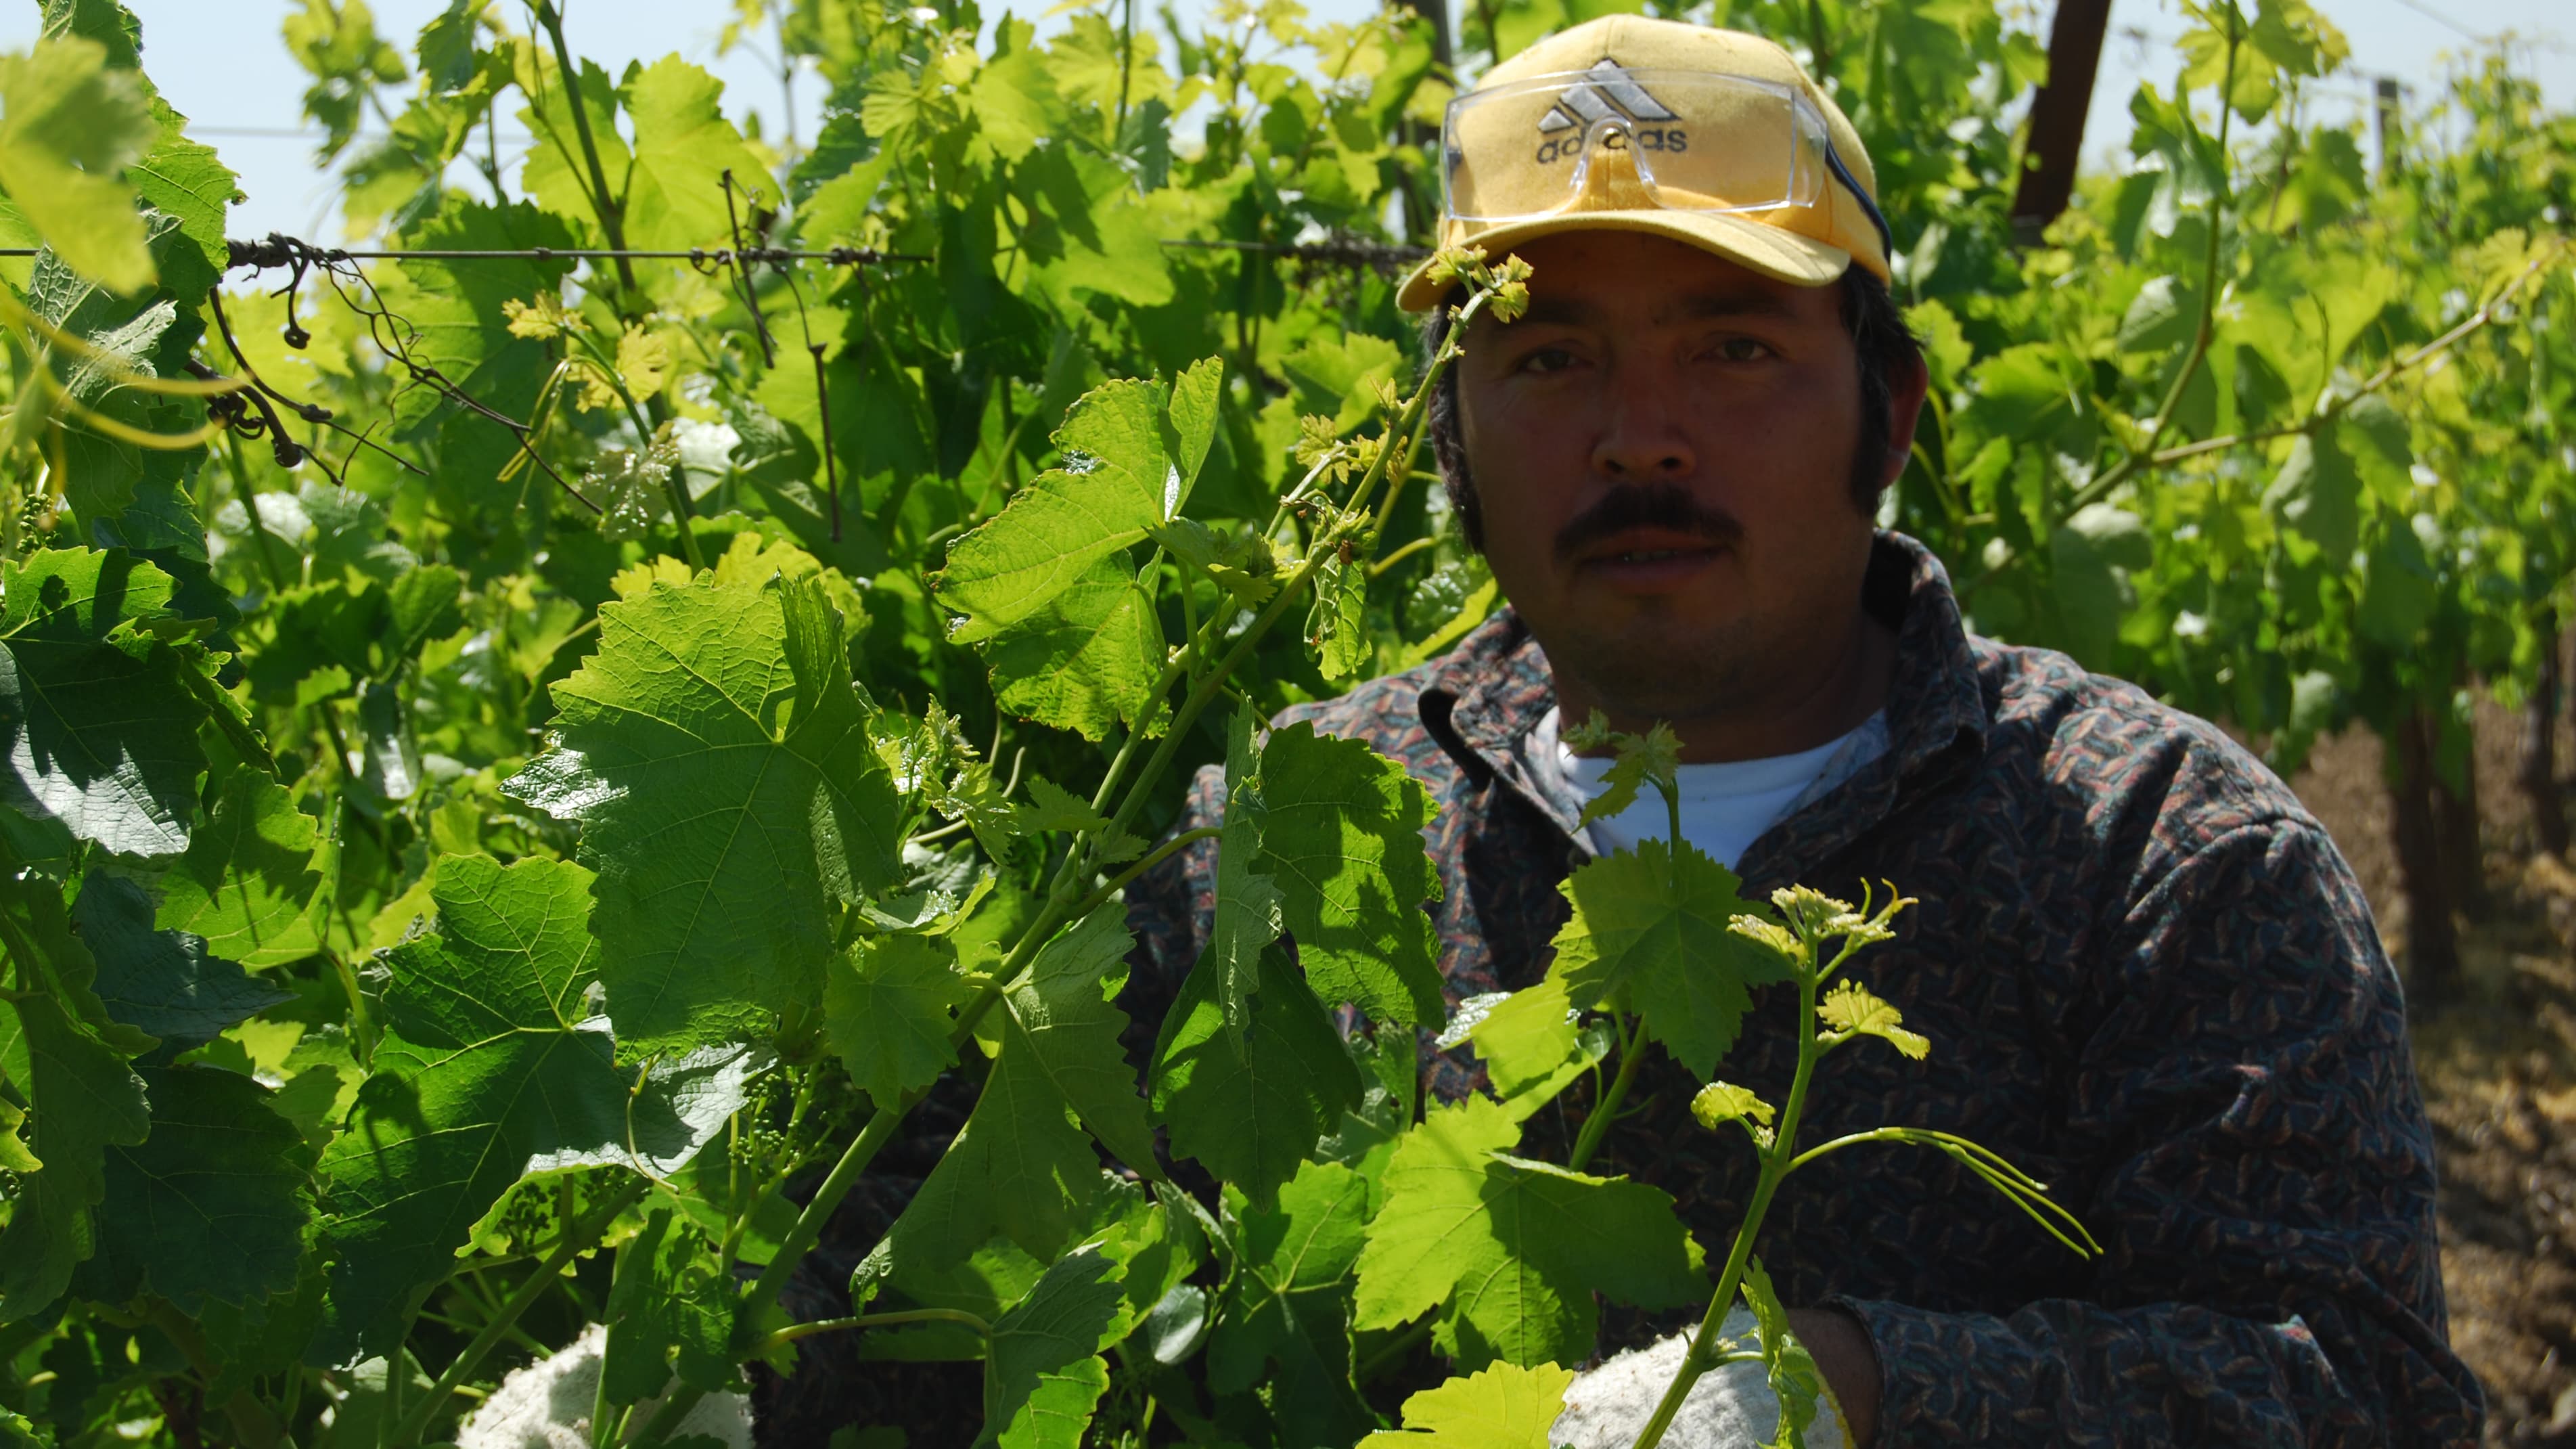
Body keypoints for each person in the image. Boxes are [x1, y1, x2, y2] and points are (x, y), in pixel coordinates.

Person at [1123, 15, 2485, 1446]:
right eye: (1543, 358)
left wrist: (1861, 1397)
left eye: (1730, 347)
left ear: (1887, 413)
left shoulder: (2167, 863)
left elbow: (2360, 1390)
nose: (1637, 435)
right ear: (1444, 440)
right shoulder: (1267, 847)